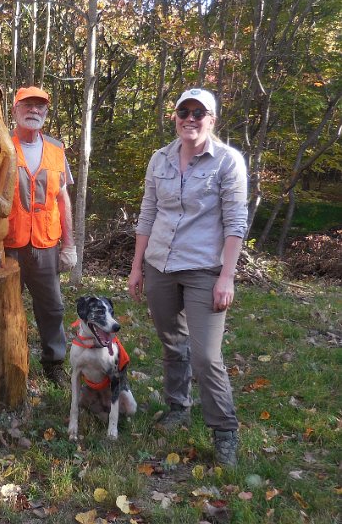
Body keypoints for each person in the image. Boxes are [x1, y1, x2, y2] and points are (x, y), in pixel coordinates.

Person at [127, 88, 248, 467]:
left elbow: (235, 223)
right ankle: (178, 406)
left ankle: (224, 430)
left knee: (207, 355)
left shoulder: (227, 162)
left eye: (199, 112)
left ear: (212, 120)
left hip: (204, 270)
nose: (190, 118)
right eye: (184, 111)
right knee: (172, 342)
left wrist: (226, 277)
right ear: (175, 116)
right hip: (159, 265)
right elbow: (147, 214)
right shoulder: (159, 159)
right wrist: (136, 266)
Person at [4, 86, 77, 387]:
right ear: (15, 109)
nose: (33, 111)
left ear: (46, 112)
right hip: (7, 244)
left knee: (52, 307)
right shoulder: (0, 145)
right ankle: (6, 361)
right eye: (27, 105)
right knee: (5, 307)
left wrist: (69, 244)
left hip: (46, 244)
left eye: (40, 106)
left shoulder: (56, 149)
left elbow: (63, 199)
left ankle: (54, 364)